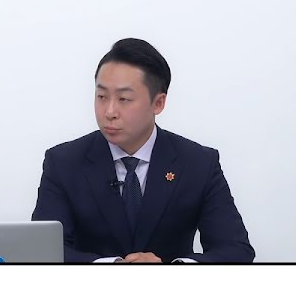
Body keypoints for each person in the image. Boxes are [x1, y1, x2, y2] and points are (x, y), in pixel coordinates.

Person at [31, 38, 254, 263]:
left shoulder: (198, 163)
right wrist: (110, 266)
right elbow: (42, 251)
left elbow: (236, 250)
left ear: (158, 103)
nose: (109, 111)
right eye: (102, 97)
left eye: (124, 99)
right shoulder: (63, 162)